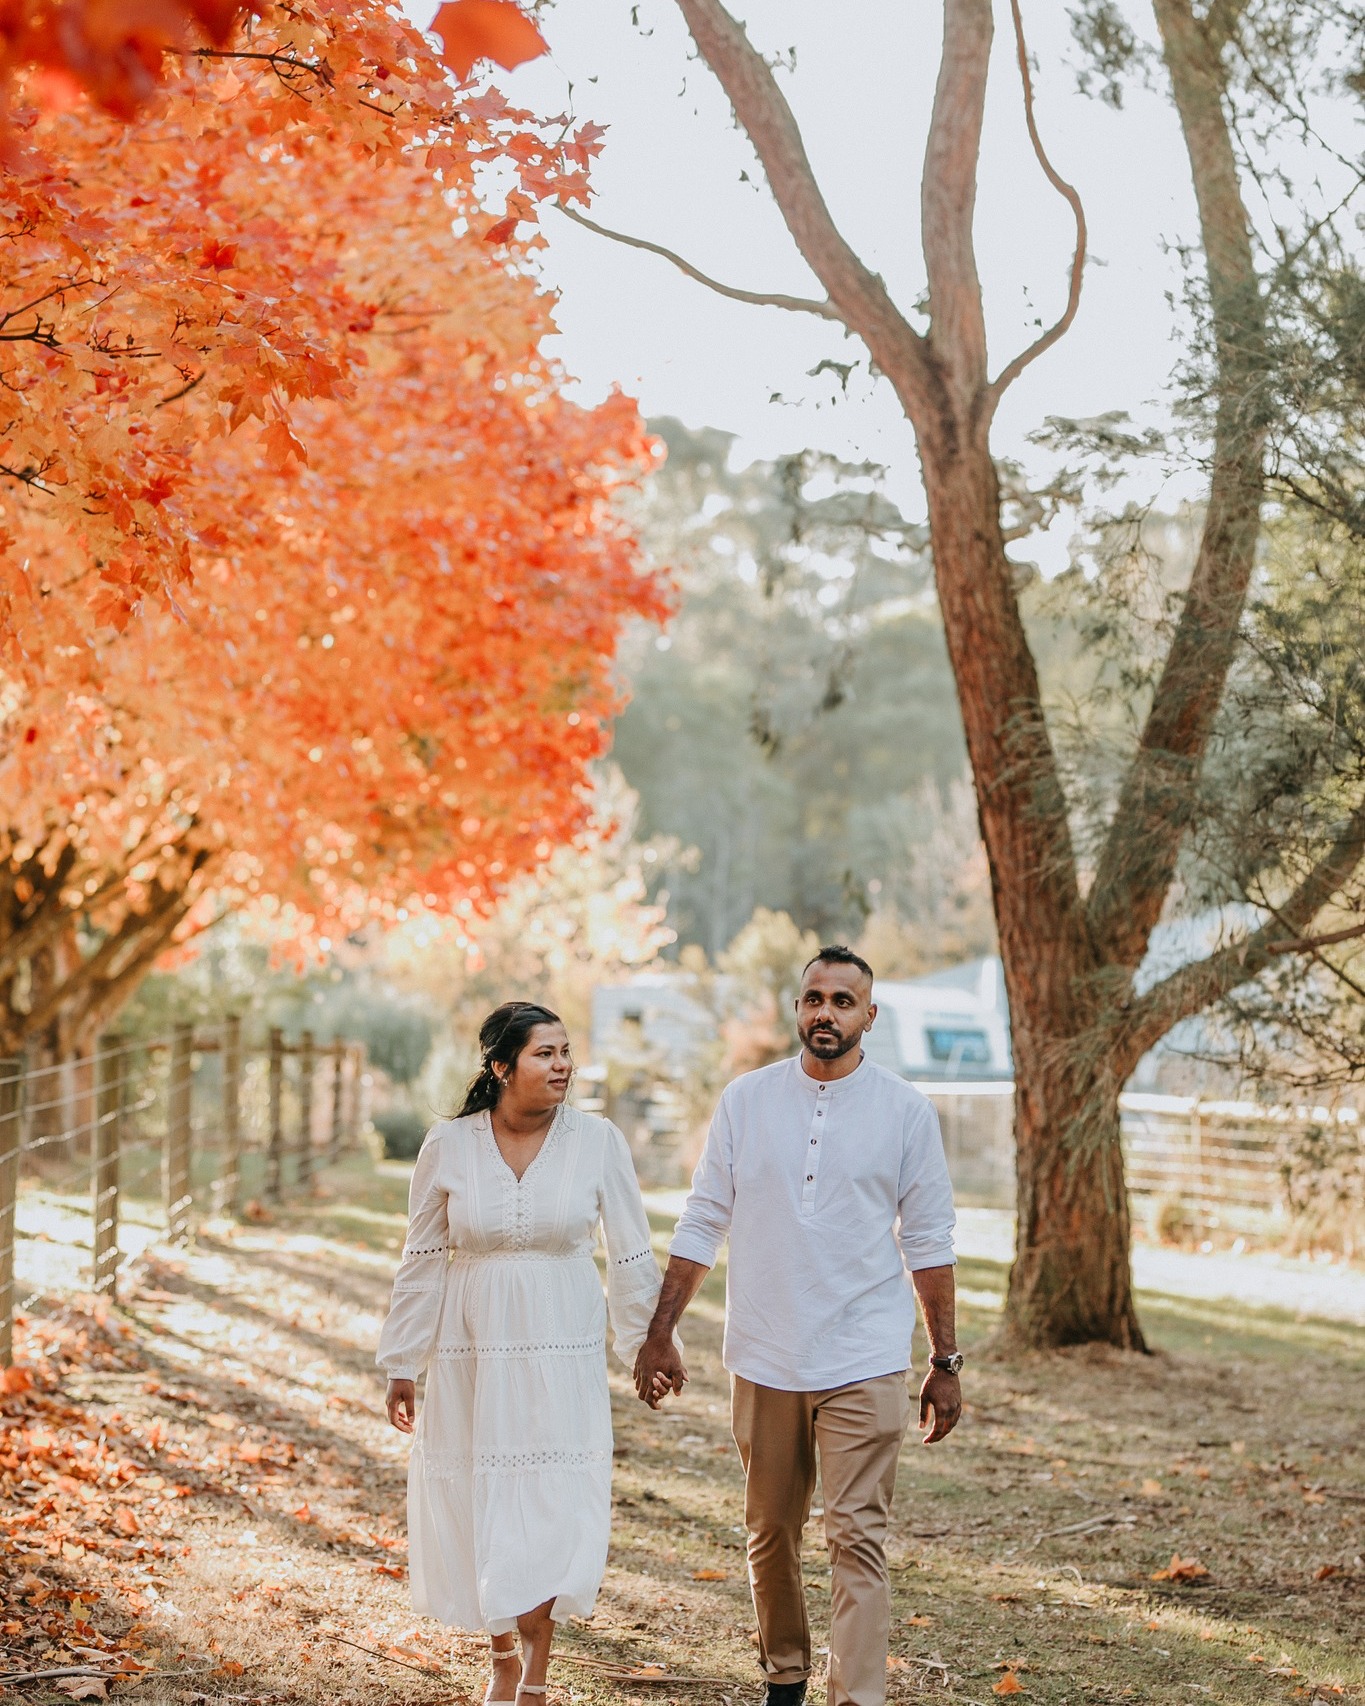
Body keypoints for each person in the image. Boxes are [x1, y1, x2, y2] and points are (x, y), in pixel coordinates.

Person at [634, 946, 961, 1706]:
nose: (825, 1012)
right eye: (813, 998)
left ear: (868, 1017)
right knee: (771, 1534)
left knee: (857, 1540)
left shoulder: (905, 1111)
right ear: (797, 1009)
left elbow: (929, 1240)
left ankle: (855, 1698)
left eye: (842, 1001)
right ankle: (784, 1676)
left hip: (864, 1353)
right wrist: (662, 1329)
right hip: (764, 1351)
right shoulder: (746, 1101)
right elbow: (704, 1215)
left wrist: (944, 1362)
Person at [376, 1001, 667, 1705]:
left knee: (549, 1495)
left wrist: (648, 1346)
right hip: (471, 1340)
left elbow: (629, 1252)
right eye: (545, 1053)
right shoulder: (448, 1144)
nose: (562, 1064)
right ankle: (501, 1652)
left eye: (566, 1051)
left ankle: (535, 1677)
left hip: (559, 1339)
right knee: (482, 1488)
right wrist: (401, 1362)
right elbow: (421, 1257)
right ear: (501, 1066)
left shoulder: (598, 1141)